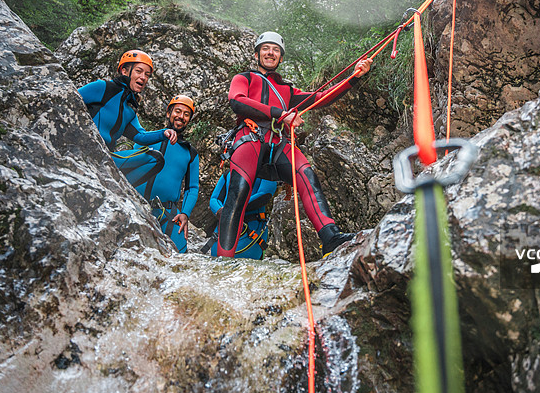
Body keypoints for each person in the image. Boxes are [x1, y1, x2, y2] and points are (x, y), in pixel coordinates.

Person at [217, 31, 372, 258]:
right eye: (266, 48)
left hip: (278, 143)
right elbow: (237, 101)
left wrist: (355, 77)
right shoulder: (244, 78)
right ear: (257, 53)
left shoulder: (287, 90)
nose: (270, 53)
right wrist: (282, 114)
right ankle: (224, 258)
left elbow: (321, 97)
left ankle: (330, 237)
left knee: (307, 177)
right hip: (250, 138)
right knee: (238, 193)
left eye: (276, 50)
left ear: (281, 58)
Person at [120, 95, 200, 253]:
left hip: (167, 213)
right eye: (177, 111)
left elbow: (192, 187)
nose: (181, 117)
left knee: (180, 257)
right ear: (168, 113)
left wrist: (185, 213)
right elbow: (129, 166)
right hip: (136, 205)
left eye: (186, 114)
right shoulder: (147, 139)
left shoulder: (190, 153)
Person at [78, 49, 177, 151]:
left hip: (106, 156)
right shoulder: (103, 87)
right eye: (138, 71)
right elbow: (68, 99)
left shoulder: (130, 109)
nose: (143, 77)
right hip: (84, 144)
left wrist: (164, 133)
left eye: (147, 75)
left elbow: (140, 136)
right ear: (124, 71)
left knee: (154, 158)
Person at [206, 171, 277, 259]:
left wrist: (231, 209)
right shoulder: (228, 174)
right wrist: (221, 210)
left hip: (250, 233)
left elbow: (265, 194)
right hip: (224, 231)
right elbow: (214, 199)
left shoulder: (265, 172)